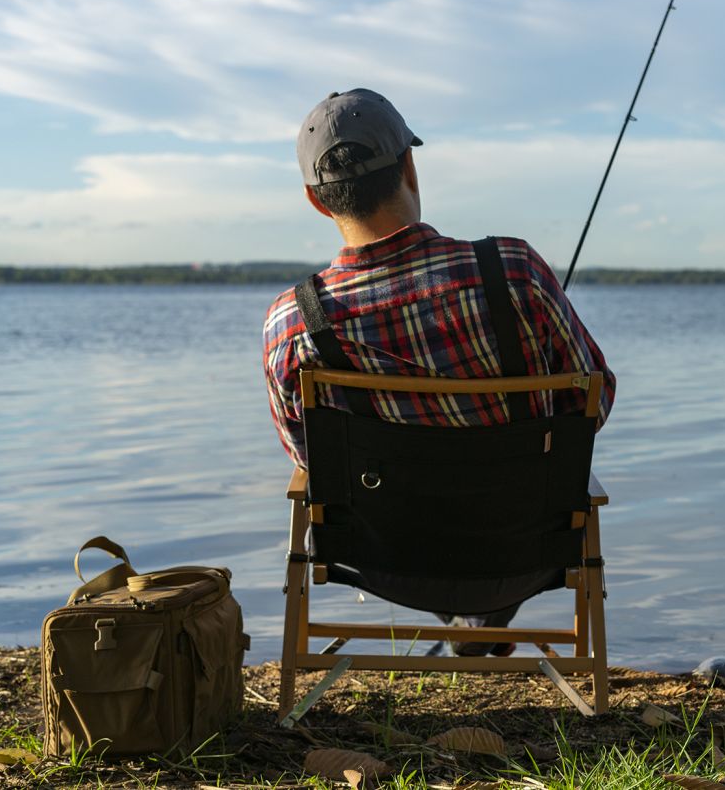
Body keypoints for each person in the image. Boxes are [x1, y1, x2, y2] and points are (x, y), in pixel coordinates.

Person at [262, 88, 616, 654]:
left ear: (315, 200)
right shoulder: (515, 271)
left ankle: (470, 617)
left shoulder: (291, 323)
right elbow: (591, 403)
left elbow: (312, 461)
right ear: (410, 167)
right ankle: (484, 614)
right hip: (524, 547)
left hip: (384, 559)